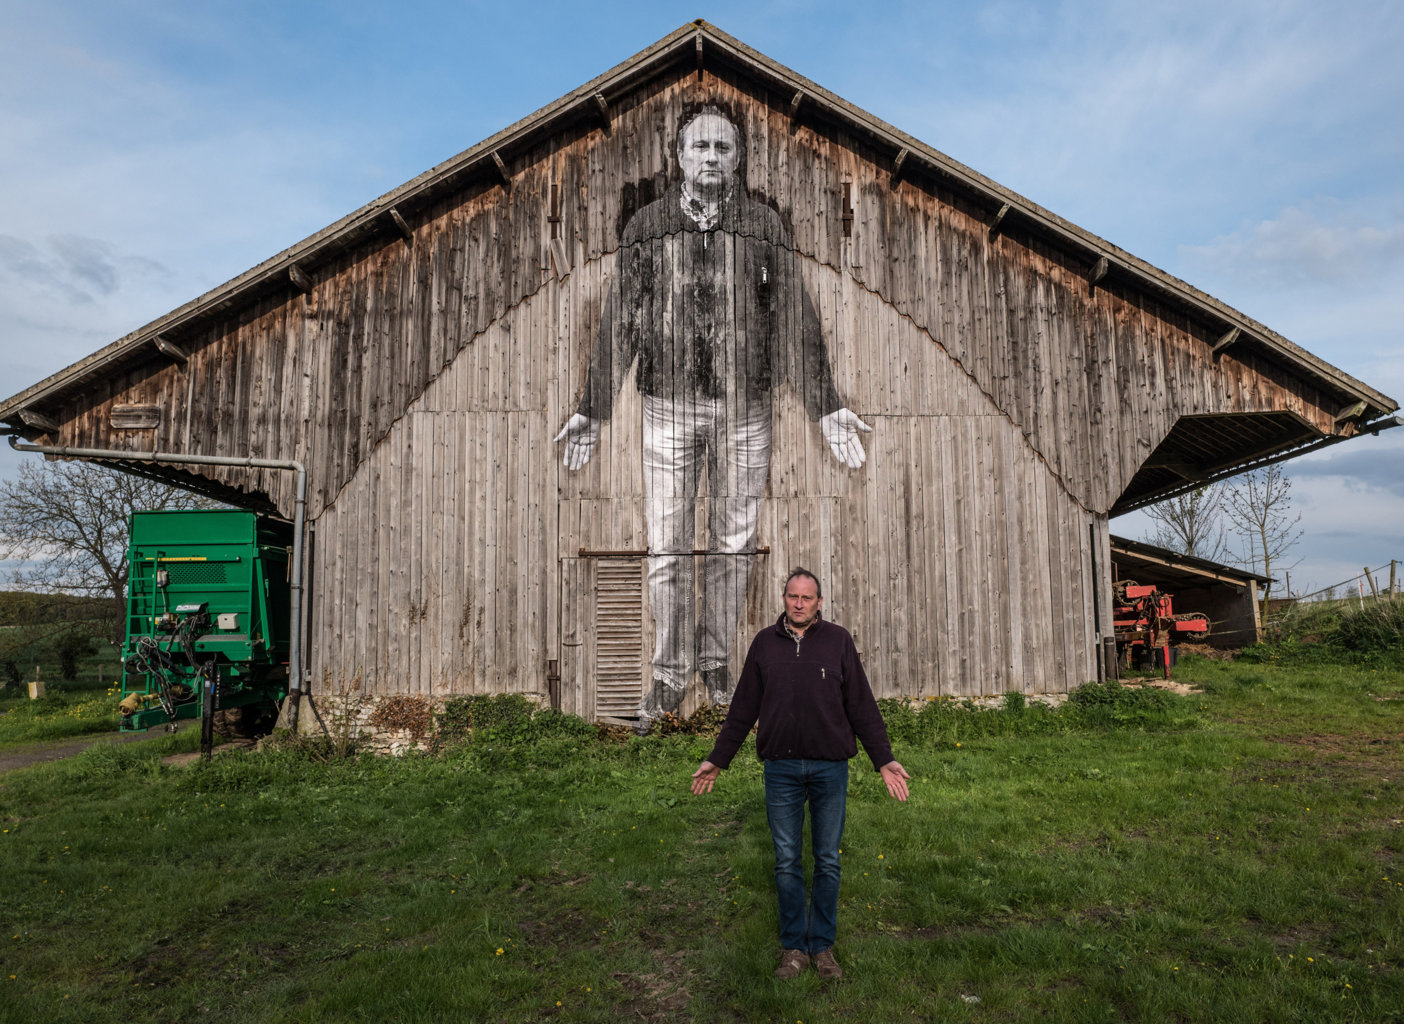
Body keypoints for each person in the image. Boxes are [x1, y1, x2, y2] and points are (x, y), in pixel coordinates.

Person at [555, 106, 873, 726]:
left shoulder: (762, 227)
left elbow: (793, 321)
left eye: (723, 147)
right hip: (667, 408)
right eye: (699, 145)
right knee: (668, 547)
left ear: (738, 159)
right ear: (679, 156)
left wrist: (826, 404)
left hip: (745, 412)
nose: (711, 157)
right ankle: (670, 676)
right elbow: (620, 320)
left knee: (731, 546)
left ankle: (719, 666)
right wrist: (592, 409)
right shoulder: (648, 227)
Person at [690, 568, 910, 980]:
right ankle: (794, 948)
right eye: (792, 596)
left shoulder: (838, 641)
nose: (798, 603)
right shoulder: (764, 645)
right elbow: (742, 709)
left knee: (827, 860)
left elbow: (861, 706)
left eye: (807, 597)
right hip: (782, 770)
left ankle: (822, 947)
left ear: (819, 603)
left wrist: (883, 759)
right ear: (785, 599)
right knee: (787, 860)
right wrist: (719, 759)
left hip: (830, 769)